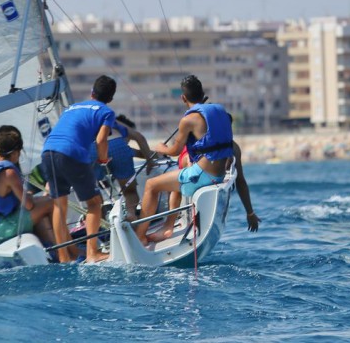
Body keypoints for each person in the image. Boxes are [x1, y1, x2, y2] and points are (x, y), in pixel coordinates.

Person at [135, 75, 234, 244]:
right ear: (202, 94)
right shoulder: (220, 110)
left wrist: (161, 148)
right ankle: (167, 227)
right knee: (176, 176)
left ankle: (140, 237)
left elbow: (174, 151)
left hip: (203, 175)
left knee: (152, 185)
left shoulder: (188, 120)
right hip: (218, 174)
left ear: (183, 98)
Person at [41, 75, 116, 263]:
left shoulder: (72, 107)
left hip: (48, 151)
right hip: (71, 153)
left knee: (60, 205)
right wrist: (103, 158)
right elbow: (101, 140)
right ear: (111, 98)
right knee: (94, 203)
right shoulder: (106, 111)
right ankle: (93, 253)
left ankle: (63, 256)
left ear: (92, 92)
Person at [0, 126, 56, 248]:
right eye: (19, 153)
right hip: (1, 230)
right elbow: (29, 205)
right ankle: (64, 249)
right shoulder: (9, 173)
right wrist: (29, 196)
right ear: (15, 153)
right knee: (50, 203)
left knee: (39, 210)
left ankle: (47, 245)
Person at [99, 114, 150, 221]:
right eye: (128, 138)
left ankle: (101, 223)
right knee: (130, 191)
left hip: (92, 153)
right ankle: (131, 213)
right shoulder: (119, 141)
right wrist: (152, 160)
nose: (128, 142)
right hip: (115, 154)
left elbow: (136, 152)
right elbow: (139, 140)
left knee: (94, 200)